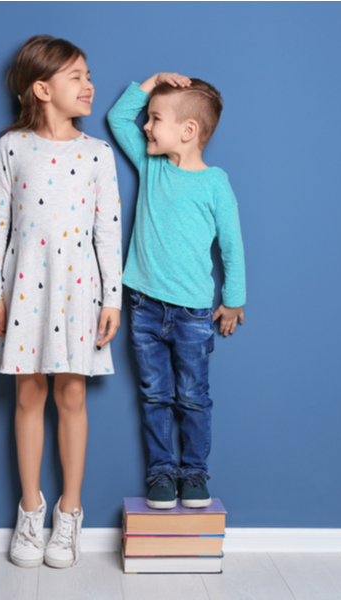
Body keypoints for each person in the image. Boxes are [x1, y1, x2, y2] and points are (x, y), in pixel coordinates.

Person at [0, 35, 122, 568]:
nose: (88, 86)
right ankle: (30, 511)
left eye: (89, 75)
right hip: (23, 289)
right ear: (42, 88)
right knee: (27, 396)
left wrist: (113, 297)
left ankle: (70, 515)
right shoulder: (11, 147)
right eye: (76, 76)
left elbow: (108, 231)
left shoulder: (97, 154)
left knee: (72, 398)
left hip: (78, 291)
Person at [107, 73, 245, 510]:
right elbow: (117, 117)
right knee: (154, 396)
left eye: (155, 119)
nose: (145, 126)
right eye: (148, 119)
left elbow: (231, 244)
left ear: (188, 131)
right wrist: (151, 83)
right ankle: (162, 473)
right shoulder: (152, 165)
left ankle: (195, 473)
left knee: (192, 397)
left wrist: (234, 299)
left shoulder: (215, 183)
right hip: (144, 307)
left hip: (193, 315)